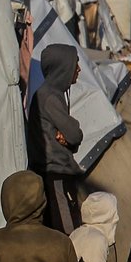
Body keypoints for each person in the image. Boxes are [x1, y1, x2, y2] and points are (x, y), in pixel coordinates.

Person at [28, 45, 85, 233]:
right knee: (67, 231)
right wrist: (69, 137)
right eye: (75, 64)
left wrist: (68, 139)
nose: (78, 69)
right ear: (63, 67)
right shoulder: (50, 97)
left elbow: (71, 138)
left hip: (53, 172)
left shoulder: (52, 95)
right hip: (56, 174)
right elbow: (75, 134)